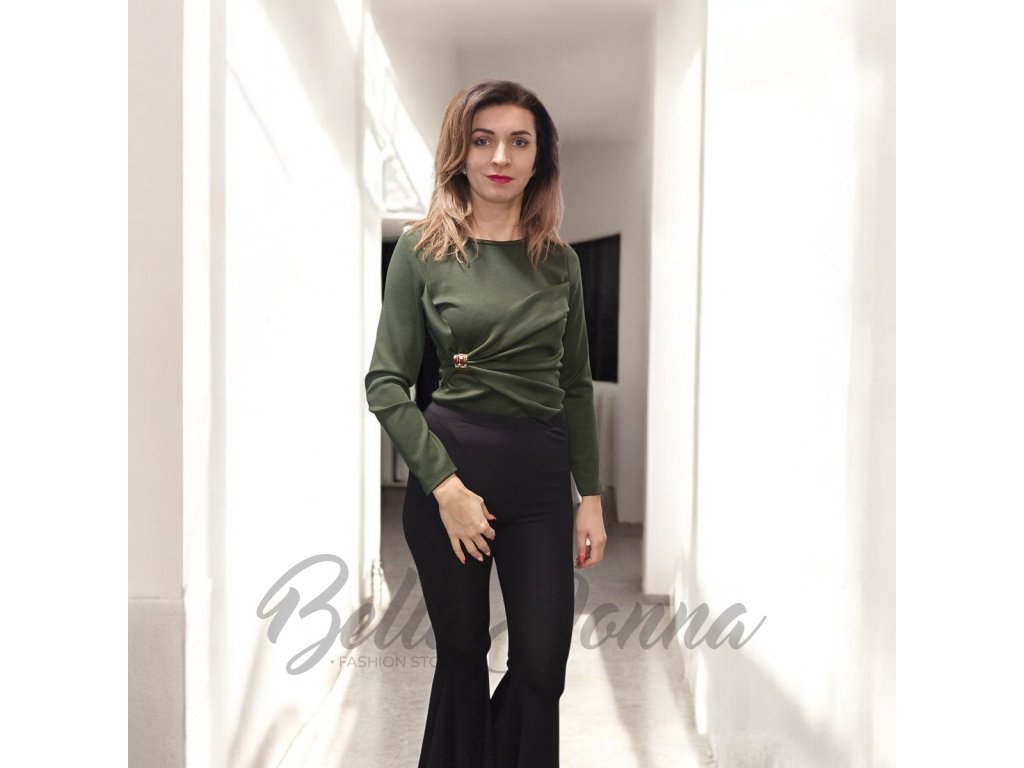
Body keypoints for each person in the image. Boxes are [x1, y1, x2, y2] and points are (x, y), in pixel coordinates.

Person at [364, 79, 608, 768]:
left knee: (542, 670)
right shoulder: (422, 251)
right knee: (464, 659)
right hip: (452, 479)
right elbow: (385, 383)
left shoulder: (560, 263)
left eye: (519, 141)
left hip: (539, 484)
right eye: (483, 139)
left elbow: (575, 385)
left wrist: (589, 497)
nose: (501, 156)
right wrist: (446, 489)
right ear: (460, 152)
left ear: (539, 158)